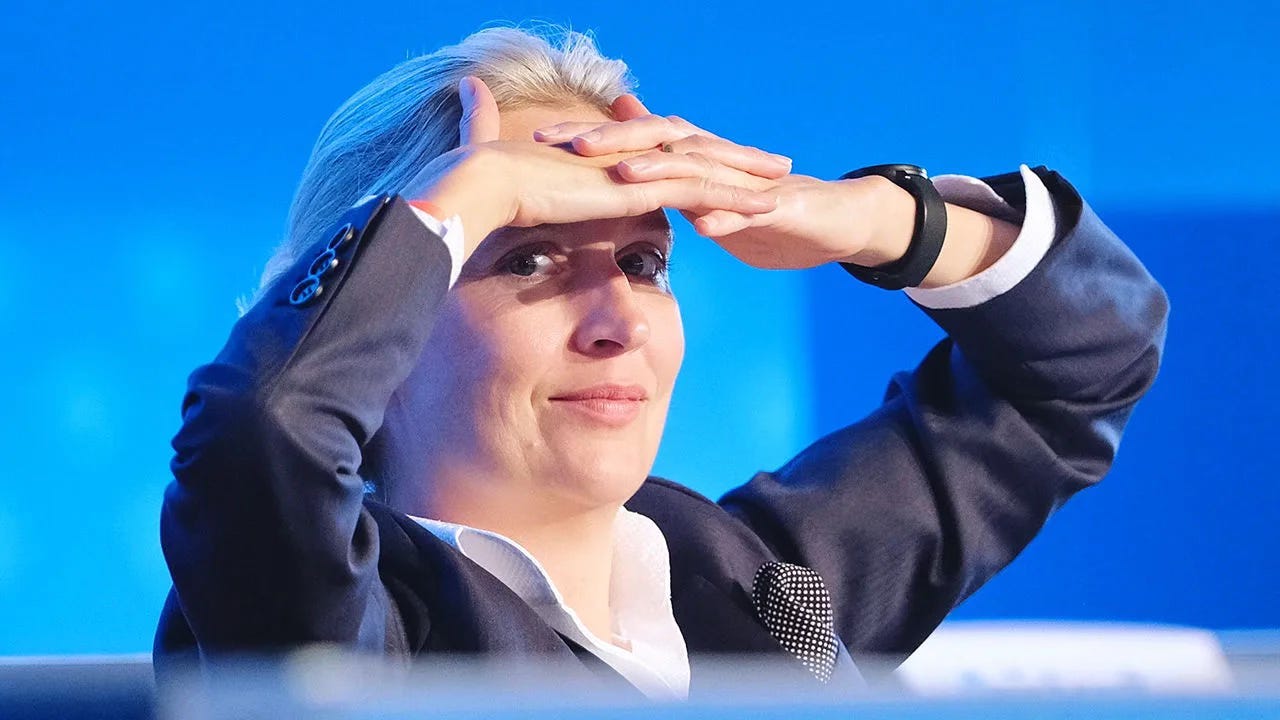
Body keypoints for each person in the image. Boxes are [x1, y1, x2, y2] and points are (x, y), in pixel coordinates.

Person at [154, 26, 1169, 700]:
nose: (617, 323)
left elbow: (1081, 367)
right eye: (528, 257)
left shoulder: (760, 584)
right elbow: (257, 435)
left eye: (642, 263)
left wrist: (870, 217)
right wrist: (462, 199)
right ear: (391, 316)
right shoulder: (338, 621)